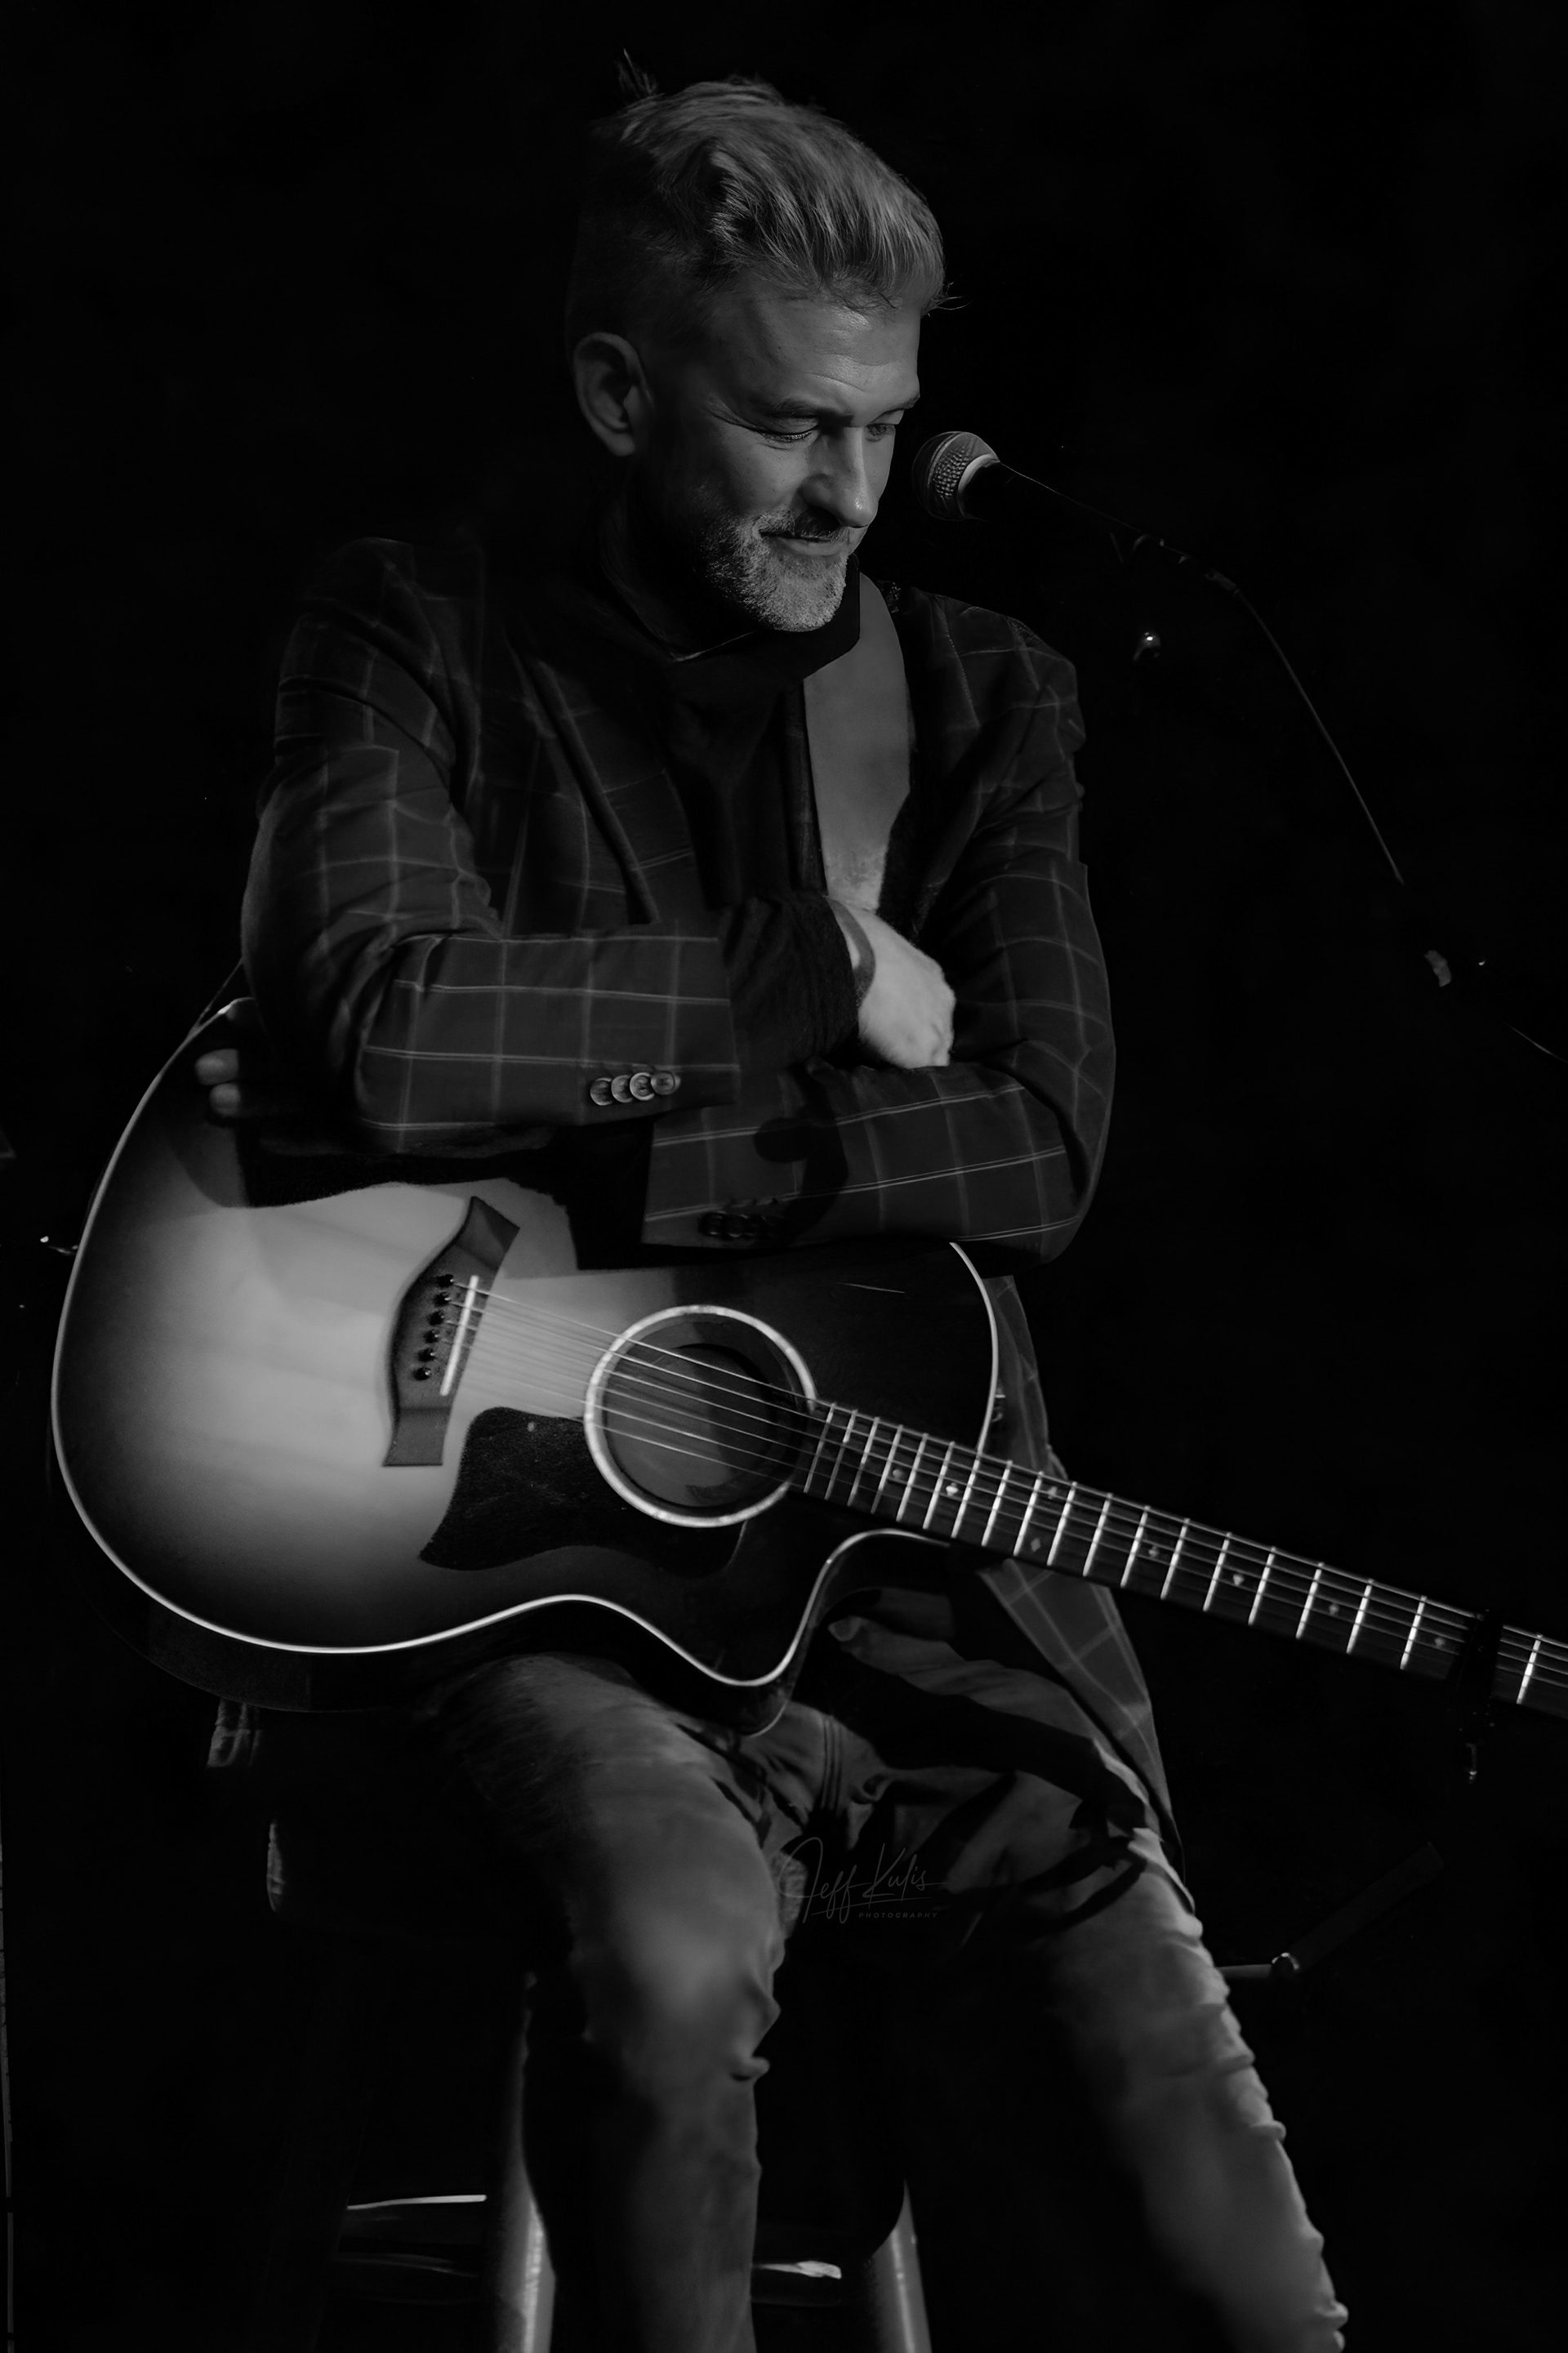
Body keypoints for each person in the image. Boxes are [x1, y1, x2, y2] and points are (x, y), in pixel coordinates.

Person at [207, 74, 1348, 2353]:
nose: (852, 489)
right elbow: (385, 1027)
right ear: (619, 392)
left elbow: (1036, 1148)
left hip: (926, 1597)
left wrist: (610, 1147)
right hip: (526, 1582)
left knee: (1242, 2269)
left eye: (885, 424)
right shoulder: (416, 634)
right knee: (668, 1944)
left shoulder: (986, 698)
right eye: (789, 426)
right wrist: (802, 978)